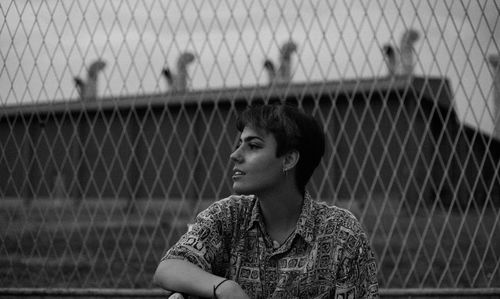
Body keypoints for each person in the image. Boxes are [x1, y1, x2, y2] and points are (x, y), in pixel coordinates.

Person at [153, 103, 379, 298]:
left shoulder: (340, 232)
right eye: (239, 144)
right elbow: (168, 267)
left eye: (253, 146)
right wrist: (225, 287)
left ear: (289, 159)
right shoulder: (229, 215)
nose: (235, 155)